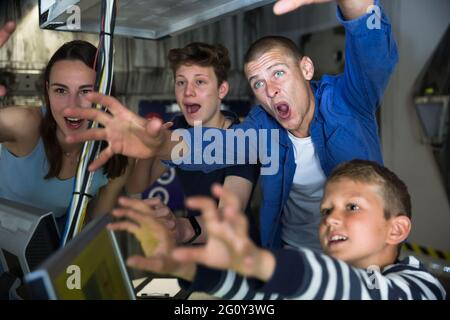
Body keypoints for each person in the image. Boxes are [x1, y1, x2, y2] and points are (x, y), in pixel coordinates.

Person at [62, 0, 398, 251]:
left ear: (306, 69)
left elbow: (372, 55)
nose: (271, 90)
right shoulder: (262, 128)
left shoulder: (348, 101)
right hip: (291, 258)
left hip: (357, 258)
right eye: (257, 83)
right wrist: (156, 146)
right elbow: (212, 148)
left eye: (278, 72)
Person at [108, 160, 447, 300]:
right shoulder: (327, 284)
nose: (330, 219)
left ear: (396, 228)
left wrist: (258, 260)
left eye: (352, 207)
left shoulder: (420, 286)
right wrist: (183, 265)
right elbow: (259, 295)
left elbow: (358, 291)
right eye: (326, 210)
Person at [126, 42, 260, 244]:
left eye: (199, 82)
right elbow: (136, 185)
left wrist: (183, 228)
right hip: (192, 252)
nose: (188, 92)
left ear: (221, 90)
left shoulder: (242, 140)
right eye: (181, 82)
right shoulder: (179, 127)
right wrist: (149, 149)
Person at [0, 37, 130, 233]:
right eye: (60, 90)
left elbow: (95, 232)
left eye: (86, 91)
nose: (72, 107)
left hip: (45, 253)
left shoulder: (117, 153)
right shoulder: (25, 124)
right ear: (47, 90)